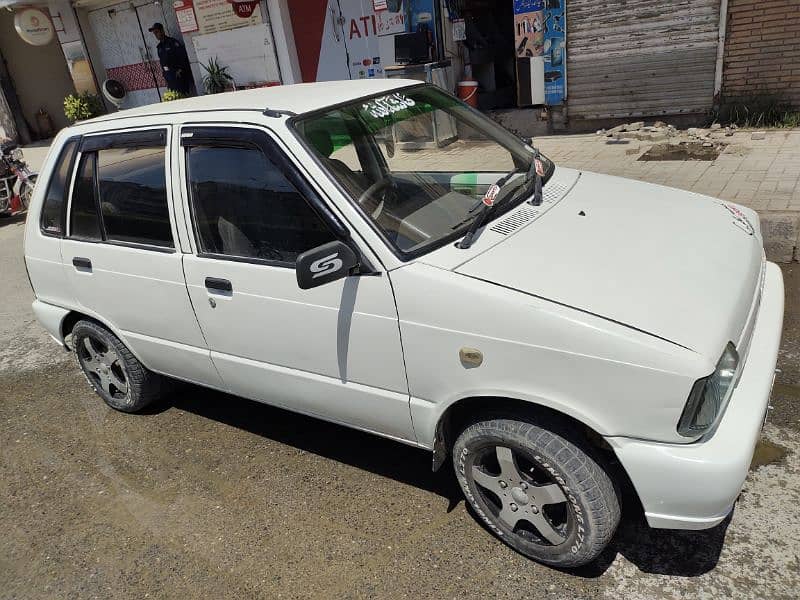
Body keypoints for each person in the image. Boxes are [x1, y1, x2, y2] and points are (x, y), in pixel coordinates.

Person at [148, 22, 192, 96]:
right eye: (154, 33)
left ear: (162, 31)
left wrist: (180, 70)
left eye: (157, 32)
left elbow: (183, 58)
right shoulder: (159, 47)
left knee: (183, 97)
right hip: (169, 77)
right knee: (174, 98)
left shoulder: (172, 42)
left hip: (178, 76)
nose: (155, 35)